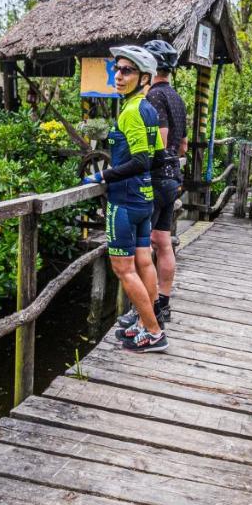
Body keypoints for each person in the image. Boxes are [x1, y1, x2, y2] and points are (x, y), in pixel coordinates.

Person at [81, 45, 168, 353]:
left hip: (125, 202)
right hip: (144, 200)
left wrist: (102, 176)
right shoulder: (148, 110)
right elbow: (159, 156)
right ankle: (147, 321)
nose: (118, 75)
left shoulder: (132, 112)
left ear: (144, 78)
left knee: (123, 268)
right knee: (144, 261)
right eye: (116, 69)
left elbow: (143, 160)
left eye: (126, 71)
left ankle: (154, 332)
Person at [114, 39, 187, 333]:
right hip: (173, 174)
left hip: (154, 177)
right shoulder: (177, 99)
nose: (120, 74)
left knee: (142, 249)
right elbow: (182, 146)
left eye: (126, 69)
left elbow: (161, 137)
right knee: (163, 241)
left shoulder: (152, 97)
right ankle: (162, 303)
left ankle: (143, 311)